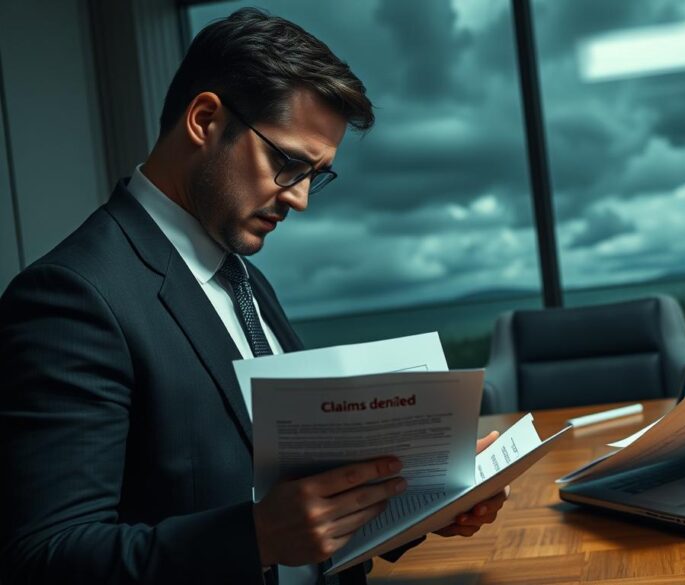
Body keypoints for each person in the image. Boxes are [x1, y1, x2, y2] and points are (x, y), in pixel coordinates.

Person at [0, 8, 507, 585]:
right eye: (289, 164)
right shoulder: (70, 298)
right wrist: (258, 536)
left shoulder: (241, 278)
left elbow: (296, 500)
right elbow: (44, 559)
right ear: (205, 119)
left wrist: (417, 503)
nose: (300, 201)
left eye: (316, 175)